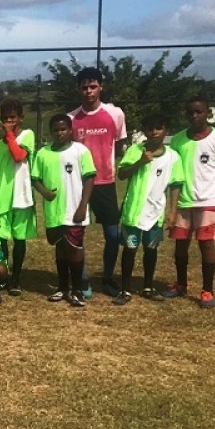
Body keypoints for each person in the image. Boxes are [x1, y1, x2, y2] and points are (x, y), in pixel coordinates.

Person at [163, 97, 215, 308]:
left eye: (198, 112)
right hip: (184, 202)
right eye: (190, 113)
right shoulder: (177, 140)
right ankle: (181, 284)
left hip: (208, 201)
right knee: (180, 245)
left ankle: (207, 290)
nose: (194, 116)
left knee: (206, 244)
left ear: (207, 113)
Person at [69, 67, 127, 297]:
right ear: (78, 89)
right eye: (84, 87)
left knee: (112, 234)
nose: (88, 91)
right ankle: (82, 280)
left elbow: (121, 146)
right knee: (77, 233)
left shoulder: (115, 114)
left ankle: (108, 277)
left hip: (105, 183)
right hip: (80, 185)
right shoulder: (72, 118)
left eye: (93, 86)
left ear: (101, 87)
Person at [113, 113, 183, 305]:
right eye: (150, 128)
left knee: (151, 250)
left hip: (155, 213)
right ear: (144, 131)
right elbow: (121, 174)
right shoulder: (136, 150)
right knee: (130, 249)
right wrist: (140, 162)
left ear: (166, 131)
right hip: (134, 212)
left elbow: (176, 184)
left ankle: (148, 286)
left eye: (158, 128)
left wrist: (173, 211)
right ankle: (125, 289)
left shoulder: (173, 157)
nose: (154, 132)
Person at [32, 114, 96, 308]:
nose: (59, 133)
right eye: (55, 130)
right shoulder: (43, 153)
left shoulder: (80, 151)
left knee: (74, 249)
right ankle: (62, 287)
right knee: (60, 249)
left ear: (70, 130)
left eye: (63, 129)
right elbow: (35, 178)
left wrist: (83, 205)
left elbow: (89, 179)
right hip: (54, 212)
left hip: (74, 210)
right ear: (51, 132)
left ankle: (77, 290)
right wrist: (44, 193)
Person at [0, 97, 36, 295]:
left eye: (13, 118)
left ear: (21, 118)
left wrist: (9, 135)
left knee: (19, 239)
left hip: (22, 198)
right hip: (3, 200)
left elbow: (18, 156)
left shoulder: (27, 135)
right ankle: (3, 276)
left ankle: (16, 279)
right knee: (1, 240)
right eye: (5, 118)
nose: (9, 121)